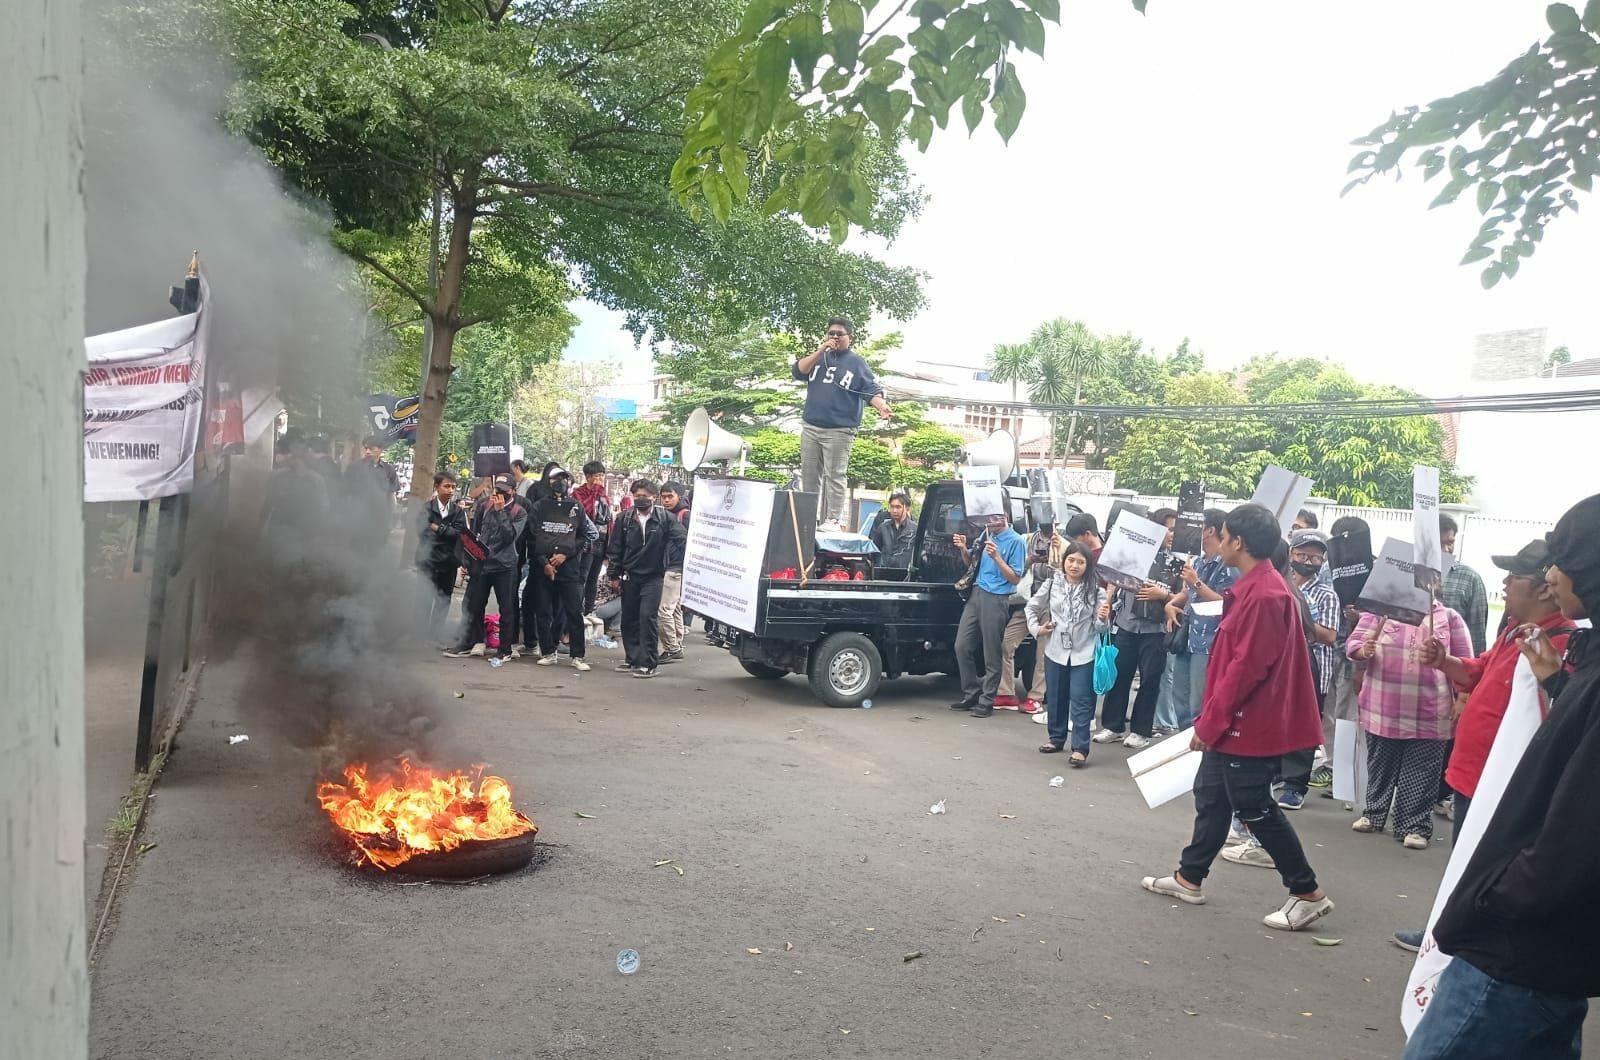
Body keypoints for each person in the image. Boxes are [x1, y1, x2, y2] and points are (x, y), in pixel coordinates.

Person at [1403, 493, 1600, 1060]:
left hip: (1520, 943)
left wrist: (1492, 899)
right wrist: (1557, 682)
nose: (1554, 572)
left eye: (1565, 559)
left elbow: (1577, 829)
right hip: (1544, 936)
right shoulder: (1569, 651)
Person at [1139, 503, 1333, 932]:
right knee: (1211, 795)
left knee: (1254, 805)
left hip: (1248, 723)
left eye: (1222, 535)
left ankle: (1307, 892)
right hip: (1236, 721)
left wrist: (1210, 724)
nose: (1217, 541)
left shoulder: (1265, 595)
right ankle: (1189, 878)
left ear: (1238, 542)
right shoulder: (1257, 587)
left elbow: (1245, 670)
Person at [1390, 538, 1575, 953]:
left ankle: (1460, 938)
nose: (1505, 583)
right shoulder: (1515, 628)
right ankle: (1449, 930)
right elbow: (1479, 670)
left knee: (1485, 864)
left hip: (1505, 777)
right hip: (1473, 771)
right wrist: (1444, 661)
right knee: (1464, 858)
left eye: (1515, 576)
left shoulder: (1563, 642)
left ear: (1547, 586)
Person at [1345, 597, 1471, 848]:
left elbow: (1466, 661)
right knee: (1380, 764)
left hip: (1430, 711)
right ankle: (1374, 813)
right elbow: (1353, 645)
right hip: (1382, 707)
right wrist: (1363, 650)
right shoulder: (1380, 612)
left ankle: (1414, 826)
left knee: (1422, 771)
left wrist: (1462, 698)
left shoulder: (1447, 616)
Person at [1093, 508, 1180, 750]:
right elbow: (1113, 578)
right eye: (1168, 529)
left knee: (1150, 680)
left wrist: (1163, 594)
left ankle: (1141, 731)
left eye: (1174, 529)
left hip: (1157, 629)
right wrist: (1109, 602)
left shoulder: (1180, 560)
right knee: (1119, 675)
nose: (1172, 534)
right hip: (1127, 623)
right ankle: (1113, 725)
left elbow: (1184, 597)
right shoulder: (1136, 552)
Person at [792, 316, 891, 525]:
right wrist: (820, 350)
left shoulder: (856, 362)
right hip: (811, 426)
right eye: (831, 333)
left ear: (850, 338)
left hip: (839, 430)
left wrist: (881, 406)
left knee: (835, 476)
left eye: (840, 334)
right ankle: (807, 519)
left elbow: (870, 390)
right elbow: (798, 371)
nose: (835, 337)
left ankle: (833, 520)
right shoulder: (819, 358)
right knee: (809, 475)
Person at [1026, 541, 1109, 763]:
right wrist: (1037, 629)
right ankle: (1055, 738)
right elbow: (1031, 607)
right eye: (1071, 560)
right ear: (1064, 561)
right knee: (1055, 696)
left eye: (1080, 562)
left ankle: (1080, 748)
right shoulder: (1052, 584)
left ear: (1087, 566)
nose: (1074, 565)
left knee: (1081, 699)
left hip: (1084, 652)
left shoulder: (1096, 591)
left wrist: (1102, 618)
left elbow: (1101, 628)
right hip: (1055, 649)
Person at [1276, 528, 1341, 811]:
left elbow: (1328, 635)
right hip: (1279, 666)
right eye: (1303, 554)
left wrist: (1296, 619)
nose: (1309, 561)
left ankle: (1294, 786)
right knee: (1277, 721)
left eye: (1315, 557)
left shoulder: (1326, 595)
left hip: (1313, 668)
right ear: (1291, 554)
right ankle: (1276, 772)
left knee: (1303, 727)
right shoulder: (1279, 584)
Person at [1161, 509, 1237, 731]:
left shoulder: (1228, 565)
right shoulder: (1201, 561)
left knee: (1199, 703)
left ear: (1210, 530)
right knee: (1180, 700)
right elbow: (1189, 594)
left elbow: (1226, 603)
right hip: (1189, 638)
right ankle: (1186, 746)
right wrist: (1171, 603)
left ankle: (1201, 749)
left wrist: (1196, 583)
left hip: (1210, 643)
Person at [606, 479, 687, 679]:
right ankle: (632, 658)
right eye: (637, 495)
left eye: (645, 495)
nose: (640, 499)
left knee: (647, 617)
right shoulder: (624, 519)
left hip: (654, 577)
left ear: (653, 497)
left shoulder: (665, 519)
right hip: (630, 576)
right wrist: (614, 575)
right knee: (629, 619)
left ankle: (648, 663)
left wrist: (685, 563)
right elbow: (615, 549)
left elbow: (682, 540)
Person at [950, 511, 1026, 718]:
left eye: (994, 517)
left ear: (1006, 516)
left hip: (997, 597)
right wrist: (964, 549)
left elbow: (1015, 578)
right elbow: (971, 565)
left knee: (991, 651)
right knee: (962, 645)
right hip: (977, 592)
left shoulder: (1016, 541)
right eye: (987, 517)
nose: (989, 522)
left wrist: (997, 558)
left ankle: (987, 699)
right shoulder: (985, 536)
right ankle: (971, 692)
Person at [444, 474, 526, 661]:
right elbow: (475, 534)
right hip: (482, 564)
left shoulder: (518, 512)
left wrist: (501, 512)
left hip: (504, 566)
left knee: (506, 608)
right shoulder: (484, 505)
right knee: (473, 604)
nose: (499, 494)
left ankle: (505, 649)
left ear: (512, 491)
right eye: (497, 490)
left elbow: (509, 537)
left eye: (504, 491)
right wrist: (468, 561)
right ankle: (469, 642)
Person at [526, 467, 598, 671]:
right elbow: (532, 538)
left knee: (573, 611)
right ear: (548, 481)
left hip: (570, 568)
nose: (561, 482)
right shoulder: (539, 507)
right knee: (543, 610)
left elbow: (584, 535)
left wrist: (566, 554)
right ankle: (548, 651)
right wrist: (545, 563)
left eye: (564, 479)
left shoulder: (575, 506)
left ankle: (578, 655)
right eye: (556, 479)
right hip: (544, 569)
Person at [998, 524, 1061, 712]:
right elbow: (1017, 569)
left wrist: (1056, 556)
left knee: (1042, 653)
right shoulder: (1026, 539)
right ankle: (1006, 692)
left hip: (1051, 605)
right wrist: (1030, 560)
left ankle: (1036, 697)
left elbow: (1066, 574)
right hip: (1027, 601)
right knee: (1006, 644)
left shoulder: (1064, 543)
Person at [413, 472, 466, 643]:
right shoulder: (426, 508)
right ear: (437, 487)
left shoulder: (458, 511)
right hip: (427, 560)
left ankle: (435, 635)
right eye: (447, 486)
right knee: (424, 598)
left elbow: (459, 534)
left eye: (453, 487)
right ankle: (420, 634)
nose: (451, 490)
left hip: (449, 562)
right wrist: (445, 531)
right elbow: (422, 531)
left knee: (443, 600)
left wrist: (438, 529)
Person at [1439, 514, 1489, 656]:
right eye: (1439, 543)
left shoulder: (1470, 579)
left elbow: (1476, 636)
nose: (1446, 549)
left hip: (1452, 669)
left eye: (1450, 543)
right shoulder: (1406, 573)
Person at [656, 481, 691, 664]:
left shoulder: (684, 516)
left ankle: (672, 648)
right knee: (674, 608)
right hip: (670, 568)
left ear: (680, 496)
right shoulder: (667, 515)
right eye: (664, 496)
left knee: (663, 611)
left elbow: (687, 544)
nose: (667, 500)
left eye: (670, 496)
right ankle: (677, 643)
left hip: (675, 569)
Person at [343, 435, 400, 546]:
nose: (368, 452)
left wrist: (389, 519)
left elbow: (391, 496)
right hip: (358, 520)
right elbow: (345, 494)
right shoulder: (354, 468)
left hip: (380, 520)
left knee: (377, 550)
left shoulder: (389, 470)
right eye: (366, 448)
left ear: (380, 449)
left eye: (371, 448)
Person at [572, 460, 612, 616]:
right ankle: (577, 610)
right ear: (588, 477)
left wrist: (609, 549)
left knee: (593, 578)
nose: (600, 479)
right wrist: (594, 492)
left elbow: (608, 519)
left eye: (602, 475)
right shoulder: (578, 493)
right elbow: (585, 513)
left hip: (601, 542)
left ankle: (589, 610)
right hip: (586, 543)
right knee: (583, 576)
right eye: (597, 476)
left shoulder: (603, 494)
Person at [870, 490, 916, 568]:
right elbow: (874, 551)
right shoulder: (883, 527)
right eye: (892, 507)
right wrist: (879, 566)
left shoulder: (914, 529)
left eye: (898, 507)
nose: (894, 511)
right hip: (884, 573)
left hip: (905, 575)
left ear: (907, 508)